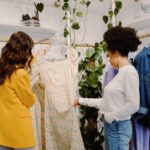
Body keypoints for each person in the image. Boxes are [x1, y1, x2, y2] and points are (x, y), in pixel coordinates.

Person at [74, 26, 141, 150]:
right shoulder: (121, 73)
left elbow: (134, 105)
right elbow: (107, 102)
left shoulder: (129, 72)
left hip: (118, 127)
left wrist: (110, 116)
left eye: (109, 56)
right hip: (114, 126)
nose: (108, 60)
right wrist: (81, 100)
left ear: (115, 52)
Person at [0, 31, 35, 150]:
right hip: (19, 131)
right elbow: (29, 101)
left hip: (4, 130)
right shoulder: (20, 74)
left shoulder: (2, 71)